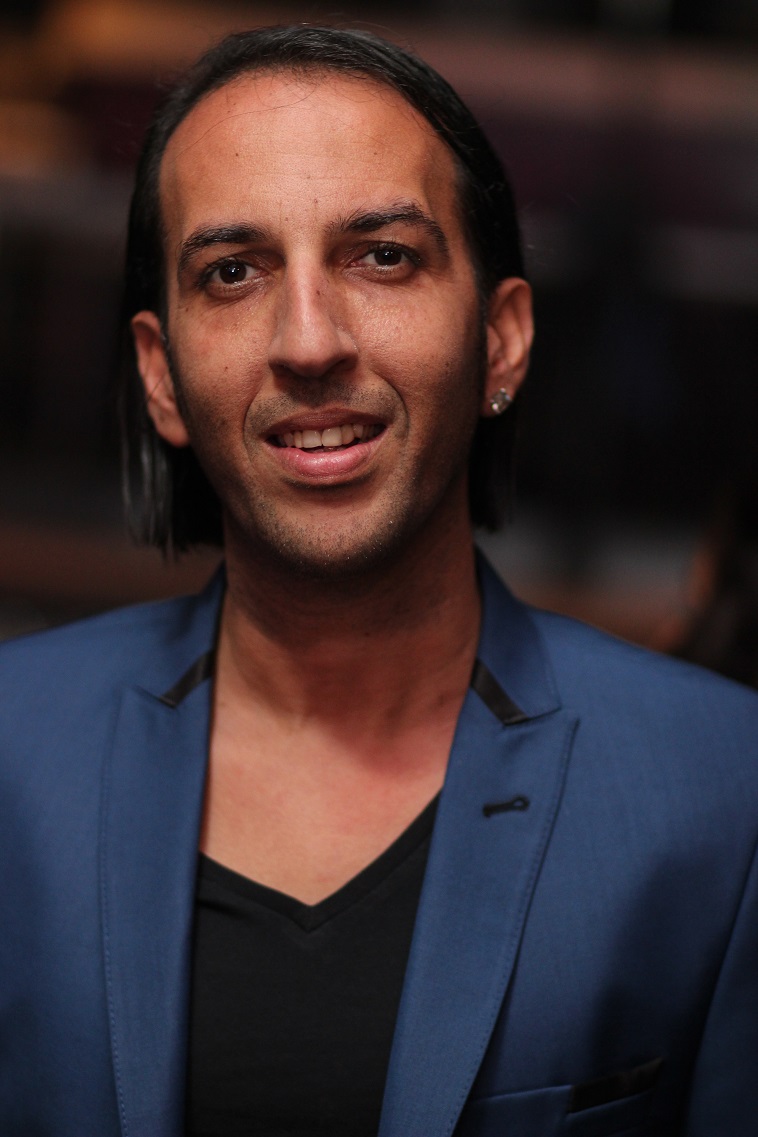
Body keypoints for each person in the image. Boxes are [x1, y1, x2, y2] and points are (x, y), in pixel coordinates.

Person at [1, 25, 757, 1137]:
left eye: (383, 257)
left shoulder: (720, 787)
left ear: (501, 339)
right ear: (161, 378)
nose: (309, 341)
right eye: (233, 272)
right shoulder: (14, 755)